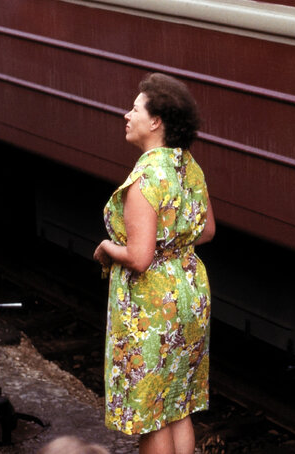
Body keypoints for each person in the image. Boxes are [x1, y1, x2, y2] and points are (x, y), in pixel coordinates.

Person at [93, 73, 214, 454]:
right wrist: (173, 247)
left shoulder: (145, 177)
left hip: (152, 306)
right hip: (190, 293)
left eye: (135, 109)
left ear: (156, 121)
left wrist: (107, 248)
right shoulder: (187, 166)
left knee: (152, 412)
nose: (126, 115)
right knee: (179, 404)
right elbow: (207, 230)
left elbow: (140, 258)